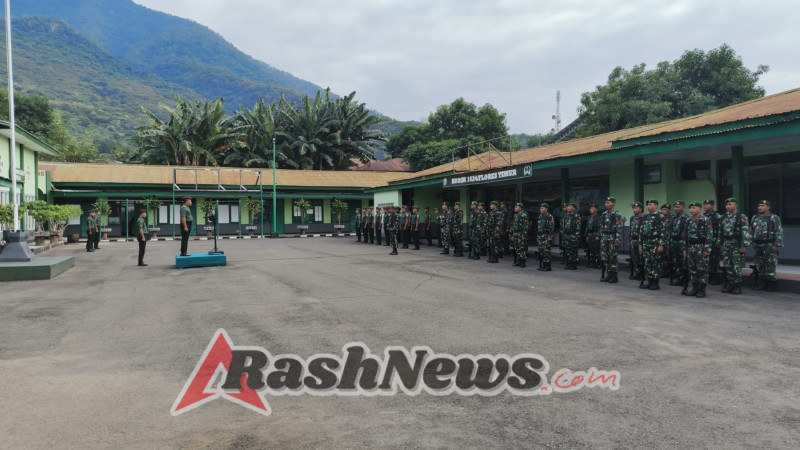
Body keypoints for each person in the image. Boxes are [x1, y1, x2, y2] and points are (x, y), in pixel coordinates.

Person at [719, 198, 751, 295]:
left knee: (736, 266)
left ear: (736, 205)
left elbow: (745, 232)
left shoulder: (741, 216)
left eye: (730, 204)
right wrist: (721, 243)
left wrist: (743, 246)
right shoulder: (723, 217)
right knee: (728, 265)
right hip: (727, 243)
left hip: (737, 244)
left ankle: (737, 286)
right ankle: (730, 284)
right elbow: (721, 231)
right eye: (727, 204)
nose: (728, 206)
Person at [751, 200, 783, 292]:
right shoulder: (755, 217)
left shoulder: (774, 217)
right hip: (758, 245)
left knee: (770, 265)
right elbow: (751, 230)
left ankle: (771, 284)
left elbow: (779, 231)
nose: (759, 207)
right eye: (759, 205)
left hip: (769, 245)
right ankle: (763, 283)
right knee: (760, 265)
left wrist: (777, 245)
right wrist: (752, 242)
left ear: (768, 207)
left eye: (762, 205)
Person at [683, 202, 712, 297]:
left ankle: (702, 290)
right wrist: (685, 249)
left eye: (694, 208)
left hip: (701, 247)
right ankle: (694, 288)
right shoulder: (689, 220)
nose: (691, 210)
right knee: (692, 269)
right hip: (691, 247)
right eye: (690, 208)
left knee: (702, 269)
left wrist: (707, 249)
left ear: (699, 209)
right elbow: (686, 236)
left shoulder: (705, 220)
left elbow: (709, 235)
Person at [639, 199, 666, 290]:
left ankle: (655, 283)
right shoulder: (645, 217)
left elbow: (663, 231)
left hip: (655, 243)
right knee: (647, 263)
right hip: (646, 243)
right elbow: (641, 231)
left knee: (655, 263)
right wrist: (640, 244)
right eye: (647, 205)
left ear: (656, 206)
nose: (648, 206)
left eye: (650, 204)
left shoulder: (660, 216)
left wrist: (661, 244)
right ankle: (649, 281)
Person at [600, 197, 624, 283]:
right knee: (605, 257)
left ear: (613, 204)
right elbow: (601, 226)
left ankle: (614, 276)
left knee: (613, 256)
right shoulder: (604, 214)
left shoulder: (616, 214)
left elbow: (619, 228)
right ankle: (608, 274)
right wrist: (601, 237)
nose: (606, 204)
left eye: (608, 202)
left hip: (612, 237)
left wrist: (617, 240)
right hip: (605, 237)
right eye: (605, 202)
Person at [668, 201, 690, 287]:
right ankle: (679, 278)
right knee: (675, 261)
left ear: (683, 207)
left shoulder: (687, 218)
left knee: (683, 261)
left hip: (682, 242)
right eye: (675, 207)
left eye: (678, 206)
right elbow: (669, 230)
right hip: (673, 242)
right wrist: (668, 242)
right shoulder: (673, 218)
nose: (676, 208)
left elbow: (688, 233)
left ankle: (685, 280)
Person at [703, 199, 723, 285]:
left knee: (714, 260)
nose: (705, 206)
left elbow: (720, 229)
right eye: (704, 204)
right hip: (705, 241)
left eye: (707, 204)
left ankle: (715, 277)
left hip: (714, 241)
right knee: (705, 260)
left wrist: (719, 241)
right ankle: (708, 276)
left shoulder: (717, 216)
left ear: (712, 206)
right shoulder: (702, 216)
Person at [562, 202, 581, 270]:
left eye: (570, 206)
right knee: (568, 250)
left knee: (574, 250)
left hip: (573, 235)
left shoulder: (576, 216)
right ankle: (569, 263)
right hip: (567, 235)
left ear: (574, 208)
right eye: (568, 206)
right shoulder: (566, 216)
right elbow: (564, 226)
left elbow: (578, 227)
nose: (568, 207)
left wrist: (577, 236)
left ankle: (574, 264)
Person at [629, 202, 644, 281]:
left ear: (640, 209)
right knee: (634, 258)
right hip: (633, 240)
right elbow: (631, 230)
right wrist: (629, 240)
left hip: (640, 241)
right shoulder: (632, 218)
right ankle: (637, 273)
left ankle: (642, 274)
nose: (634, 210)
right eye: (633, 208)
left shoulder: (644, 218)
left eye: (636, 208)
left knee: (641, 258)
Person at [511, 203, 529, 268]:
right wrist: (513, 234)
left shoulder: (524, 215)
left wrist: (524, 235)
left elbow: (525, 226)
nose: (515, 208)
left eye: (517, 207)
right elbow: (514, 226)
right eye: (515, 207)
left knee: (522, 248)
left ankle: (523, 262)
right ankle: (518, 261)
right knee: (517, 248)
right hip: (516, 233)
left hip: (521, 233)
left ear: (520, 208)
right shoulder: (515, 215)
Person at [537, 203, 554, 271]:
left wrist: (550, 236)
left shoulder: (549, 216)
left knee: (546, 251)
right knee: (541, 251)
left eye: (543, 208)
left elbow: (551, 228)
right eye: (540, 208)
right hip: (540, 236)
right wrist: (538, 236)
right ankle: (542, 265)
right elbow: (538, 227)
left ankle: (548, 266)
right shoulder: (540, 216)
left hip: (546, 236)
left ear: (546, 209)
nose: (541, 209)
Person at [585, 204, 601, 269]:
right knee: (591, 250)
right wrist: (586, 235)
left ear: (596, 210)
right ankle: (593, 263)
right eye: (590, 208)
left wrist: (598, 235)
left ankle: (598, 264)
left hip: (595, 235)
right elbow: (587, 227)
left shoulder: (599, 218)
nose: (591, 210)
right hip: (590, 235)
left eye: (592, 208)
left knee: (597, 250)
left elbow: (600, 227)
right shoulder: (589, 217)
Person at [659, 203, 673, 279]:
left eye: (665, 209)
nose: (663, 211)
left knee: (670, 257)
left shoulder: (672, 218)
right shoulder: (660, 218)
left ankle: (671, 272)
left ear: (669, 210)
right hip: (662, 241)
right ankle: (664, 271)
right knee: (663, 257)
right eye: (662, 209)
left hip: (670, 241)